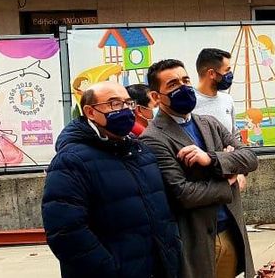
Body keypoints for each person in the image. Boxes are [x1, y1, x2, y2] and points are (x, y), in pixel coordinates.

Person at [42, 81, 182, 278]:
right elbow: (66, 233)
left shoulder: (142, 153)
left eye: (127, 103)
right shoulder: (70, 161)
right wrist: (109, 270)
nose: (124, 109)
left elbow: (163, 212)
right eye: (114, 104)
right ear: (90, 112)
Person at [141, 59, 259, 278]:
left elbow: (250, 159)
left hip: (230, 231)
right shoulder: (153, 138)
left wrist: (212, 159)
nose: (183, 88)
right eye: (173, 85)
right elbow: (184, 194)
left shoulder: (209, 123)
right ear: (156, 97)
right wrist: (229, 179)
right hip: (196, 242)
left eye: (185, 80)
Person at [194, 48, 236, 134]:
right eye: (227, 70)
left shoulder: (227, 99)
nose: (230, 74)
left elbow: (234, 135)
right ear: (211, 73)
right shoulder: (189, 102)